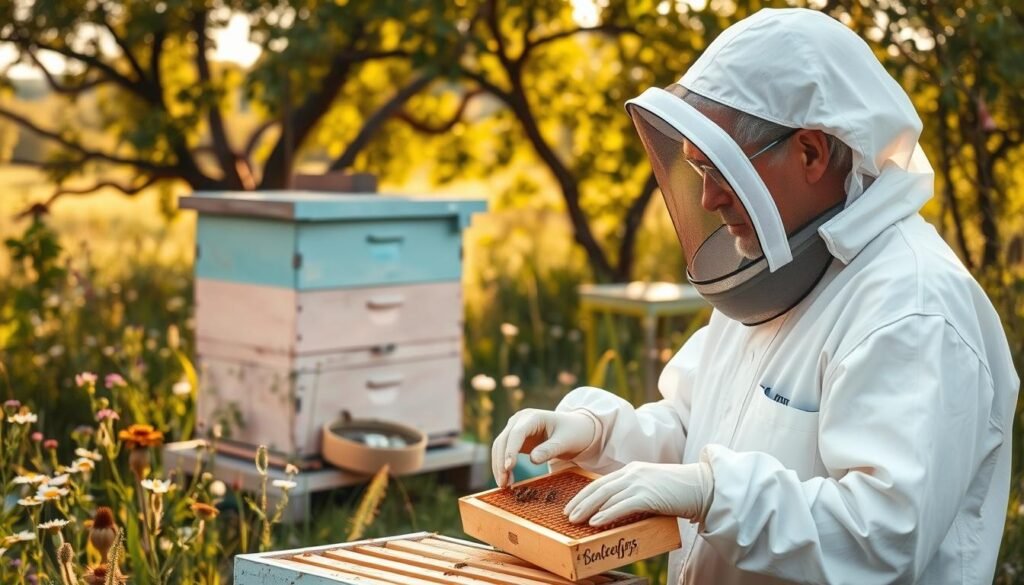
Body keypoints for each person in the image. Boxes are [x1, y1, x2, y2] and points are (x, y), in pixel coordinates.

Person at [491, 8, 1019, 584]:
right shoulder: (780, 270)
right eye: (696, 170)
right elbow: (697, 429)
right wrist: (602, 434)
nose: (710, 199)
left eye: (723, 170)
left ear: (811, 153)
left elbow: (882, 539)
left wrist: (716, 494)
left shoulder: (912, 309)